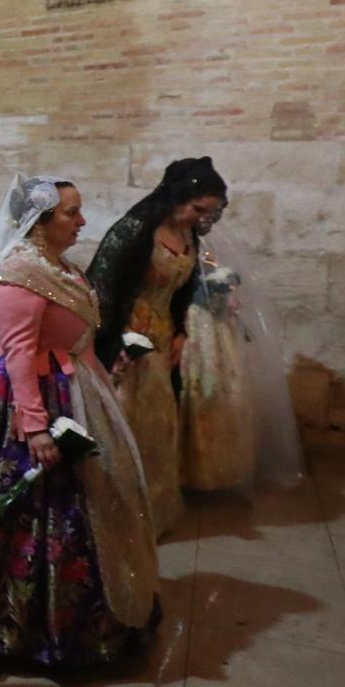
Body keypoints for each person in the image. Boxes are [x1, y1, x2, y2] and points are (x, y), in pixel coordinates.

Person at [0, 175, 158, 668]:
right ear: (40, 220)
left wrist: (104, 376)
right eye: (71, 213)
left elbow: (77, 339)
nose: (81, 220)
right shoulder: (17, 274)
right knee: (25, 514)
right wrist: (33, 427)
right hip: (21, 402)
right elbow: (18, 355)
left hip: (69, 387)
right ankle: (6, 623)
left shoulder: (60, 268)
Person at [85, 157, 230, 538]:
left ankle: (148, 512)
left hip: (164, 339)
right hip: (128, 339)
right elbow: (102, 288)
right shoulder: (135, 230)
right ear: (178, 196)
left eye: (208, 212)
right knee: (127, 422)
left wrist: (182, 332)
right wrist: (111, 344)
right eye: (197, 208)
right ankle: (112, 516)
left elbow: (182, 291)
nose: (200, 219)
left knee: (158, 425)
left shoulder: (188, 236)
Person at [178, 203, 305, 495]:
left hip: (213, 325)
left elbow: (208, 266)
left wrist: (224, 289)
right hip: (193, 322)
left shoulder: (204, 247)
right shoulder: (179, 243)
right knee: (198, 388)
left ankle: (215, 468)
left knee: (222, 388)